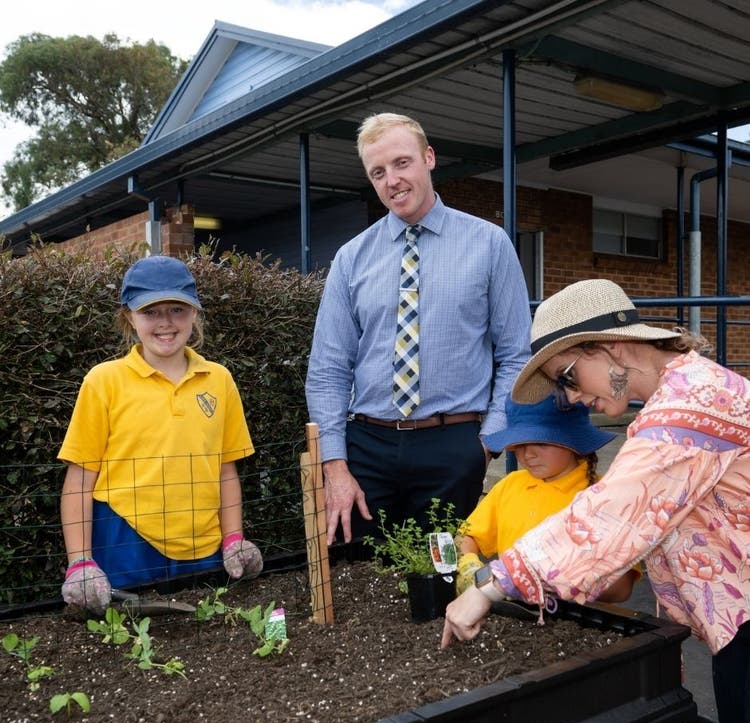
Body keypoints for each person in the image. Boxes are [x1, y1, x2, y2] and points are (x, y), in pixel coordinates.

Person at [440, 278, 750, 723]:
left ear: (609, 349)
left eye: (567, 377)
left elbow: (610, 517)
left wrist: (493, 584)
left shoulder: (688, 410)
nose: (573, 399)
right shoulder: (687, 389)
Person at [305, 112, 532, 545]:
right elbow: (328, 369)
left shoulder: (489, 244)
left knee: (444, 586)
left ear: (429, 158)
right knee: (361, 585)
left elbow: (516, 355)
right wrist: (334, 464)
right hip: (365, 450)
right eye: (378, 171)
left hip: (454, 447)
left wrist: (485, 446)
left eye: (402, 163)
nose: (392, 180)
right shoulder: (351, 258)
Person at [58, 255, 263, 612]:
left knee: (205, 640)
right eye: (150, 312)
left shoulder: (220, 380)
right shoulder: (103, 382)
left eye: (177, 310)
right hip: (125, 539)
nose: (165, 323)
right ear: (129, 318)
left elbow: (226, 470)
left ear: (195, 314)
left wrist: (233, 538)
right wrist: (80, 562)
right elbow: (79, 480)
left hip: (203, 542)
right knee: (128, 645)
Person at [455, 394, 639, 604]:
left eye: (541, 442)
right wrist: (469, 565)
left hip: (575, 617)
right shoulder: (510, 485)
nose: (528, 454)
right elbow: (467, 537)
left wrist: (560, 579)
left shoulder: (603, 496)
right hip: (512, 610)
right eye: (519, 444)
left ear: (574, 438)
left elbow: (622, 588)